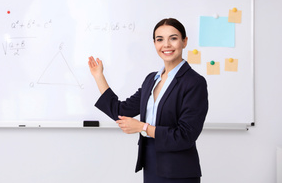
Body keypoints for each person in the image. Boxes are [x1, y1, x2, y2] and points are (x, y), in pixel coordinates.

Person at [88, 18, 208, 183]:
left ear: (184, 41)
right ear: (154, 43)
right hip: (151, 165)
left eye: (173, 38)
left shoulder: (194, 82)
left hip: (179, 171)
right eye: (160, 39)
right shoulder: (151, 79)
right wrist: (99, 76)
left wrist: (143, 127)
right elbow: (120, 111)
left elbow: (185, 136)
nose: (166, 44)